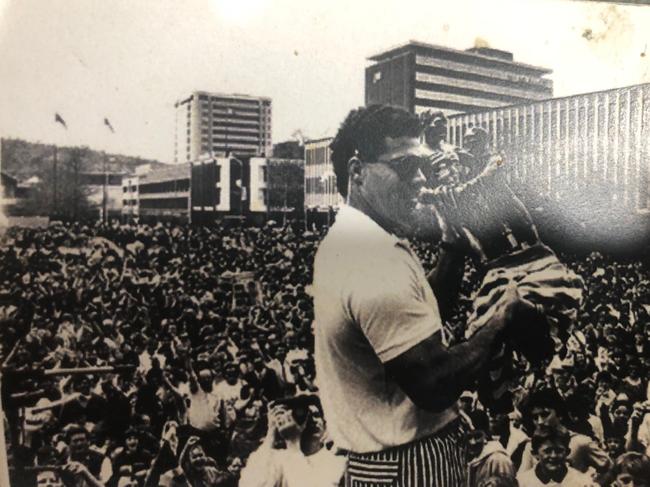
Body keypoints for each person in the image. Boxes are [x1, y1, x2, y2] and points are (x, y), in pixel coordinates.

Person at [313, 105, 523, 486]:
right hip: (408, 467)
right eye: (406, 168)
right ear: (357, 171)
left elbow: (410, 331)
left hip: (386, 463)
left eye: (423, 168)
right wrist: (499, 322)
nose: (421, 182)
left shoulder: (352, 240)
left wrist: (452, 249)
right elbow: (433, 383)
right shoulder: (371, 257)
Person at [516, 425, 596, 487]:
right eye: (547, 451)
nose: (553, 456)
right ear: (535, 454)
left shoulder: (582, 483)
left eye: (559, 451)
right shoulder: (522, 483)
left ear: (567, 452)